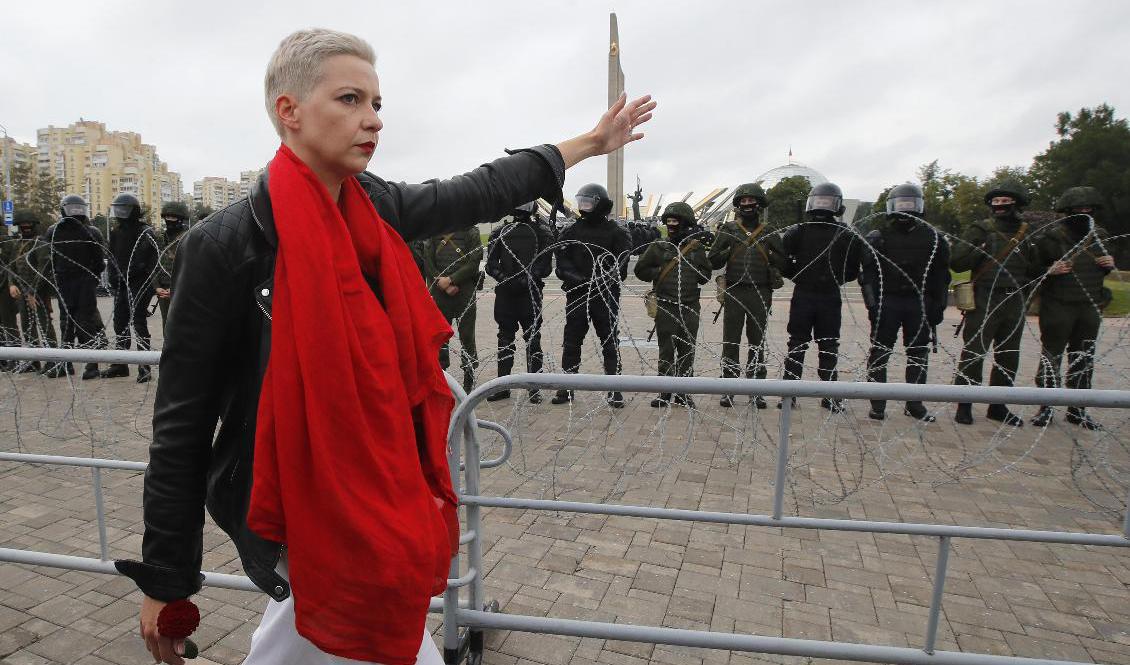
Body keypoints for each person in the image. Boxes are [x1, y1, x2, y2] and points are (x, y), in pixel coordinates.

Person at [114, 28, 654, 665]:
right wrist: (167, 582)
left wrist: (589, 144)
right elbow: (181, 421)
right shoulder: (227, 244)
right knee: (366, 634)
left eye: (376, 103)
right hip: (294, 493)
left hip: (385, 476)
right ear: (289, 111)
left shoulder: (373, 208)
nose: (372, 120)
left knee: (333, 634)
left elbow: (477, 188)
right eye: (350, 100)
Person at [951, 177, 1040, 426]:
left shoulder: (1028, 233)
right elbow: (957, 261)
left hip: (1014, 297)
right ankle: (964, 403)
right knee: (974, 352)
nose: (1000, 204)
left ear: (1017, 203)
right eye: (996, 201)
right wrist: (979, 250)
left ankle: (998, 405)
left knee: (1008, 355)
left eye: (1005, 200)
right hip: (985, 296)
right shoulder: (980, 230)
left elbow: (1036, 266)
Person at [859, 183, 951, 421]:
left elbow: (942, 275)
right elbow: (867, 274)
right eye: (901, 205)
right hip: (888, 301)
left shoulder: (933, 238)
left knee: (918, 353)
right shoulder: (879, 237)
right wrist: (872, 304)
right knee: (880, 352)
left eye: (910, 205)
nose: (905, 210)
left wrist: (938, 305)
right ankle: (877, 402)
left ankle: (915, 402)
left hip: (918, 302)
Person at [1030, 186, 1114, 429]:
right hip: (1059, 304)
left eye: (1088, 209)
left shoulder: (1100, 236)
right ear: (1067, 211)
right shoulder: (1052, 238)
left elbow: (1103, 266)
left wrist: (1108, 264)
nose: (1084, 213)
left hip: (1089, 303)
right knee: (1052, 356)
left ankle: (1078, 408)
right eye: (1078, 209)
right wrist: (1049, 270)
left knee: (1084, 357)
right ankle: (1046, 406)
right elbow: (1032, 271)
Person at [779, 182, 864, 412]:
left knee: (828, 345)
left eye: (827, 202)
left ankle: (829, 394)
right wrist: (800, 276)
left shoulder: (845, 235)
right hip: (804, 293)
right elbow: (783, 262)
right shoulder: (799, 232)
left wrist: (834, 278)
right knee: (797, 343)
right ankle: (789, 392)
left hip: (829, 294)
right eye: (820, 201)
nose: (823, 206)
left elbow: (853, 267)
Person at [551, 183, 632, 408]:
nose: (584, 206)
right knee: (572, 340)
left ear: (599, 203)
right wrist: (578, 278)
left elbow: (621, 264)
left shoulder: (616, 232)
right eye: (581, 202)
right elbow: (561, 263)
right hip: (577, 293)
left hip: (605, 295)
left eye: (588, 202)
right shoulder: (571, 230)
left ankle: (615, 388)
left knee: (609, 340)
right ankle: (567, 386)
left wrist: (603, 279)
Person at [707, 183, 786, 408]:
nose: (748, 205)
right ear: (738, 205)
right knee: (731, 341)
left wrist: (770, 253)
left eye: (752, 201)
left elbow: (783, 263)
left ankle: (756, 388)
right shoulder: (729, 230)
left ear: (759, 205)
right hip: (734, 291)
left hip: (760, 292)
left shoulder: (769, 232)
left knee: (756, 342)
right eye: (743, 201)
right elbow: (713, 261)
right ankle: (728, 387)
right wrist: (728, 249)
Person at [634, 202, 711, 407]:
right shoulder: (658, 247)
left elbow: (705, 276)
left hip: (689, 306)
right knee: (666, 350)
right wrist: (658, 271)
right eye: (669, 222)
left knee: (687, 349)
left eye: (676, 222)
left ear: (686, 224)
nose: (671, 226)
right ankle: (665, 391)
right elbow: (640, 270)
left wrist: (693, 268)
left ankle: (684, 392)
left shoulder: (696, 249)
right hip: (666, 305)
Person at [484, 201, 554, 403]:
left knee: (532, 339)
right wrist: (505, 278)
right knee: (505, 340)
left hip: (529, 293)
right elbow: (491, 264)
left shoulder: (542, 233)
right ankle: (503, 386)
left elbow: (545, 266)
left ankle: (534, 387)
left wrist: (527, 278)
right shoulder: (501, 232)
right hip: (507, 292)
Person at [45, 194, 108, 379]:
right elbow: (49, 257)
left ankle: (92, 364)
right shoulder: (54, 231)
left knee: (85, 323)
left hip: (84, 282)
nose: (75, 212)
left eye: (78, 209)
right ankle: (66, 362)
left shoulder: (91, 232)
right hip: (65, 282)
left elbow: (99, 261)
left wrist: (91, 279)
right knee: (65, 324)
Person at [101, 193, 160, 382]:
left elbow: (150, 261)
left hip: (139, 284)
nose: (120, 213)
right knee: (120, 323)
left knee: (138, 322)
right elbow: (111, 257)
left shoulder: (145, 232)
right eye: (118, 209)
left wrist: (150, 286)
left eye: (124, 209)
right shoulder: (117, 232)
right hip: (122, 284)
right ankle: (120, 363)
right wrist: (113, 277)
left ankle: (144, 366)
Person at [422, 226, 483, 393]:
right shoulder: (434, 230)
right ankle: (441, 378)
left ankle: (468, 381)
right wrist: (442, 282)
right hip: (441, 292)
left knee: (467, 337)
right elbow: (427, 260)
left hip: (464, 291)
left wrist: (451, 279)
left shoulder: (471, 230)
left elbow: (474, 261)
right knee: (440, 338)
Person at [9, 210, 60, 374]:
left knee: (44, 324)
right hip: (22, 291)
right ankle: (33, 360)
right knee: (27, 325)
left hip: (39, 291)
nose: (25, 228)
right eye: (22, 226)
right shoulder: (17, 244)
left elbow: (42, 269)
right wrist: (12, 284)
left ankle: (53, 359)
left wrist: (33, 292)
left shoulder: (41, 243)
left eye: (28, 226)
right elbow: (12, 267)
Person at [155, 201, 190, 331]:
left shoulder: (189, 237)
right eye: (167, 217)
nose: (169, 220)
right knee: (167, 325)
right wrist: (157, 287)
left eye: (173, 217)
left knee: (181, 325)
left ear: (181, 219)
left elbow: (191, 268)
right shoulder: (161, 238)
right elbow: (155, 265)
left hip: (182, 289)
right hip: (163, 290)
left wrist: (176, 288)